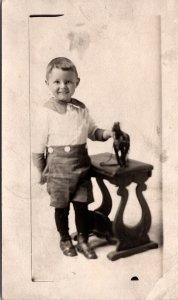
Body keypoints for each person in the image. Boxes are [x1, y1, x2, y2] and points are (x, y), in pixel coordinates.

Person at [32, 57, 113, 259]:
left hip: (81, 168)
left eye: (68, 81)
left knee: (82, 206)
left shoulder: (82, 109)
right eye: (57, 82)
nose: (63, 86)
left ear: (77, 82)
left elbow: (93, 131)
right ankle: (65, 239)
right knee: (61, 208)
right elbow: (36, 148)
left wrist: (108, 133)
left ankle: (83, 240)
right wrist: (43, 171)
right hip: (57, 170)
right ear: (47, 83)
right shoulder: (45, 113)